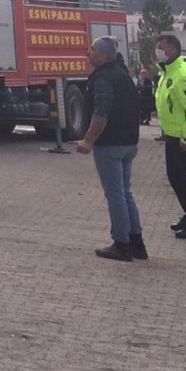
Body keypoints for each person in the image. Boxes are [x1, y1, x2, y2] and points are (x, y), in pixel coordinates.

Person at [75, 36, 147, 261]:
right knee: (125, 193)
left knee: (115, 194)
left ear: (105, 55)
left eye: (93, 50)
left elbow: (101, 114)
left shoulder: (103, 79)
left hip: (110, 144)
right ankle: (136, 242)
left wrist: (87, 141)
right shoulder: (123, 75)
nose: (88, 53)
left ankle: (121, 244)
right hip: (128, 143)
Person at [154, 33, 186, 238]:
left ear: (172, 49)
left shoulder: (183, 74)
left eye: (160, 47)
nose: (157, 51)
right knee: (175, 178)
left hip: (185, 139)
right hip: (172, 135)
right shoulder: (168, 72)